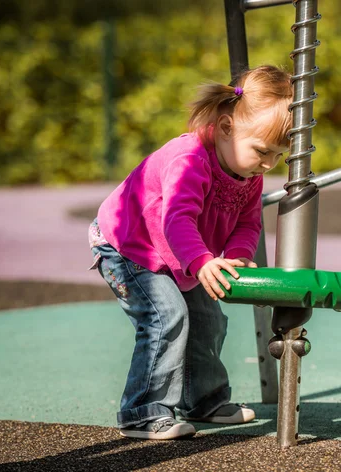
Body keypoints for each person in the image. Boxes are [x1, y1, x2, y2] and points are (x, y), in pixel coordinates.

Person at [88, 65, 293, 440]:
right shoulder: (190, 158)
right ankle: (142, 412)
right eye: (262, 151)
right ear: (228, 127)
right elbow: (177, 219)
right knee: (167, 317)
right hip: (129, 246)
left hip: (180, 255)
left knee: (208, 320)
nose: (268, 164)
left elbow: (248, 223)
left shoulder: (250, 174)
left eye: (278, 156)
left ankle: (204, 401)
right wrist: (201, 261)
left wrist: (238, 254)